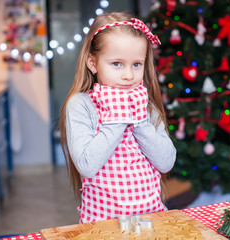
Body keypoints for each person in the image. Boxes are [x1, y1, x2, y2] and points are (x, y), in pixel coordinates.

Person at [59, 12, 176, 223]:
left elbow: (166, 162)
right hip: (102, 224)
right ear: (92, 63)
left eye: (136, 64)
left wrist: (140, 121)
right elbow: (87, 165)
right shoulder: (80, 106)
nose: (128, 75)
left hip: (151, 219)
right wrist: (119, 117)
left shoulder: (146, 106)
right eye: (117, 64)